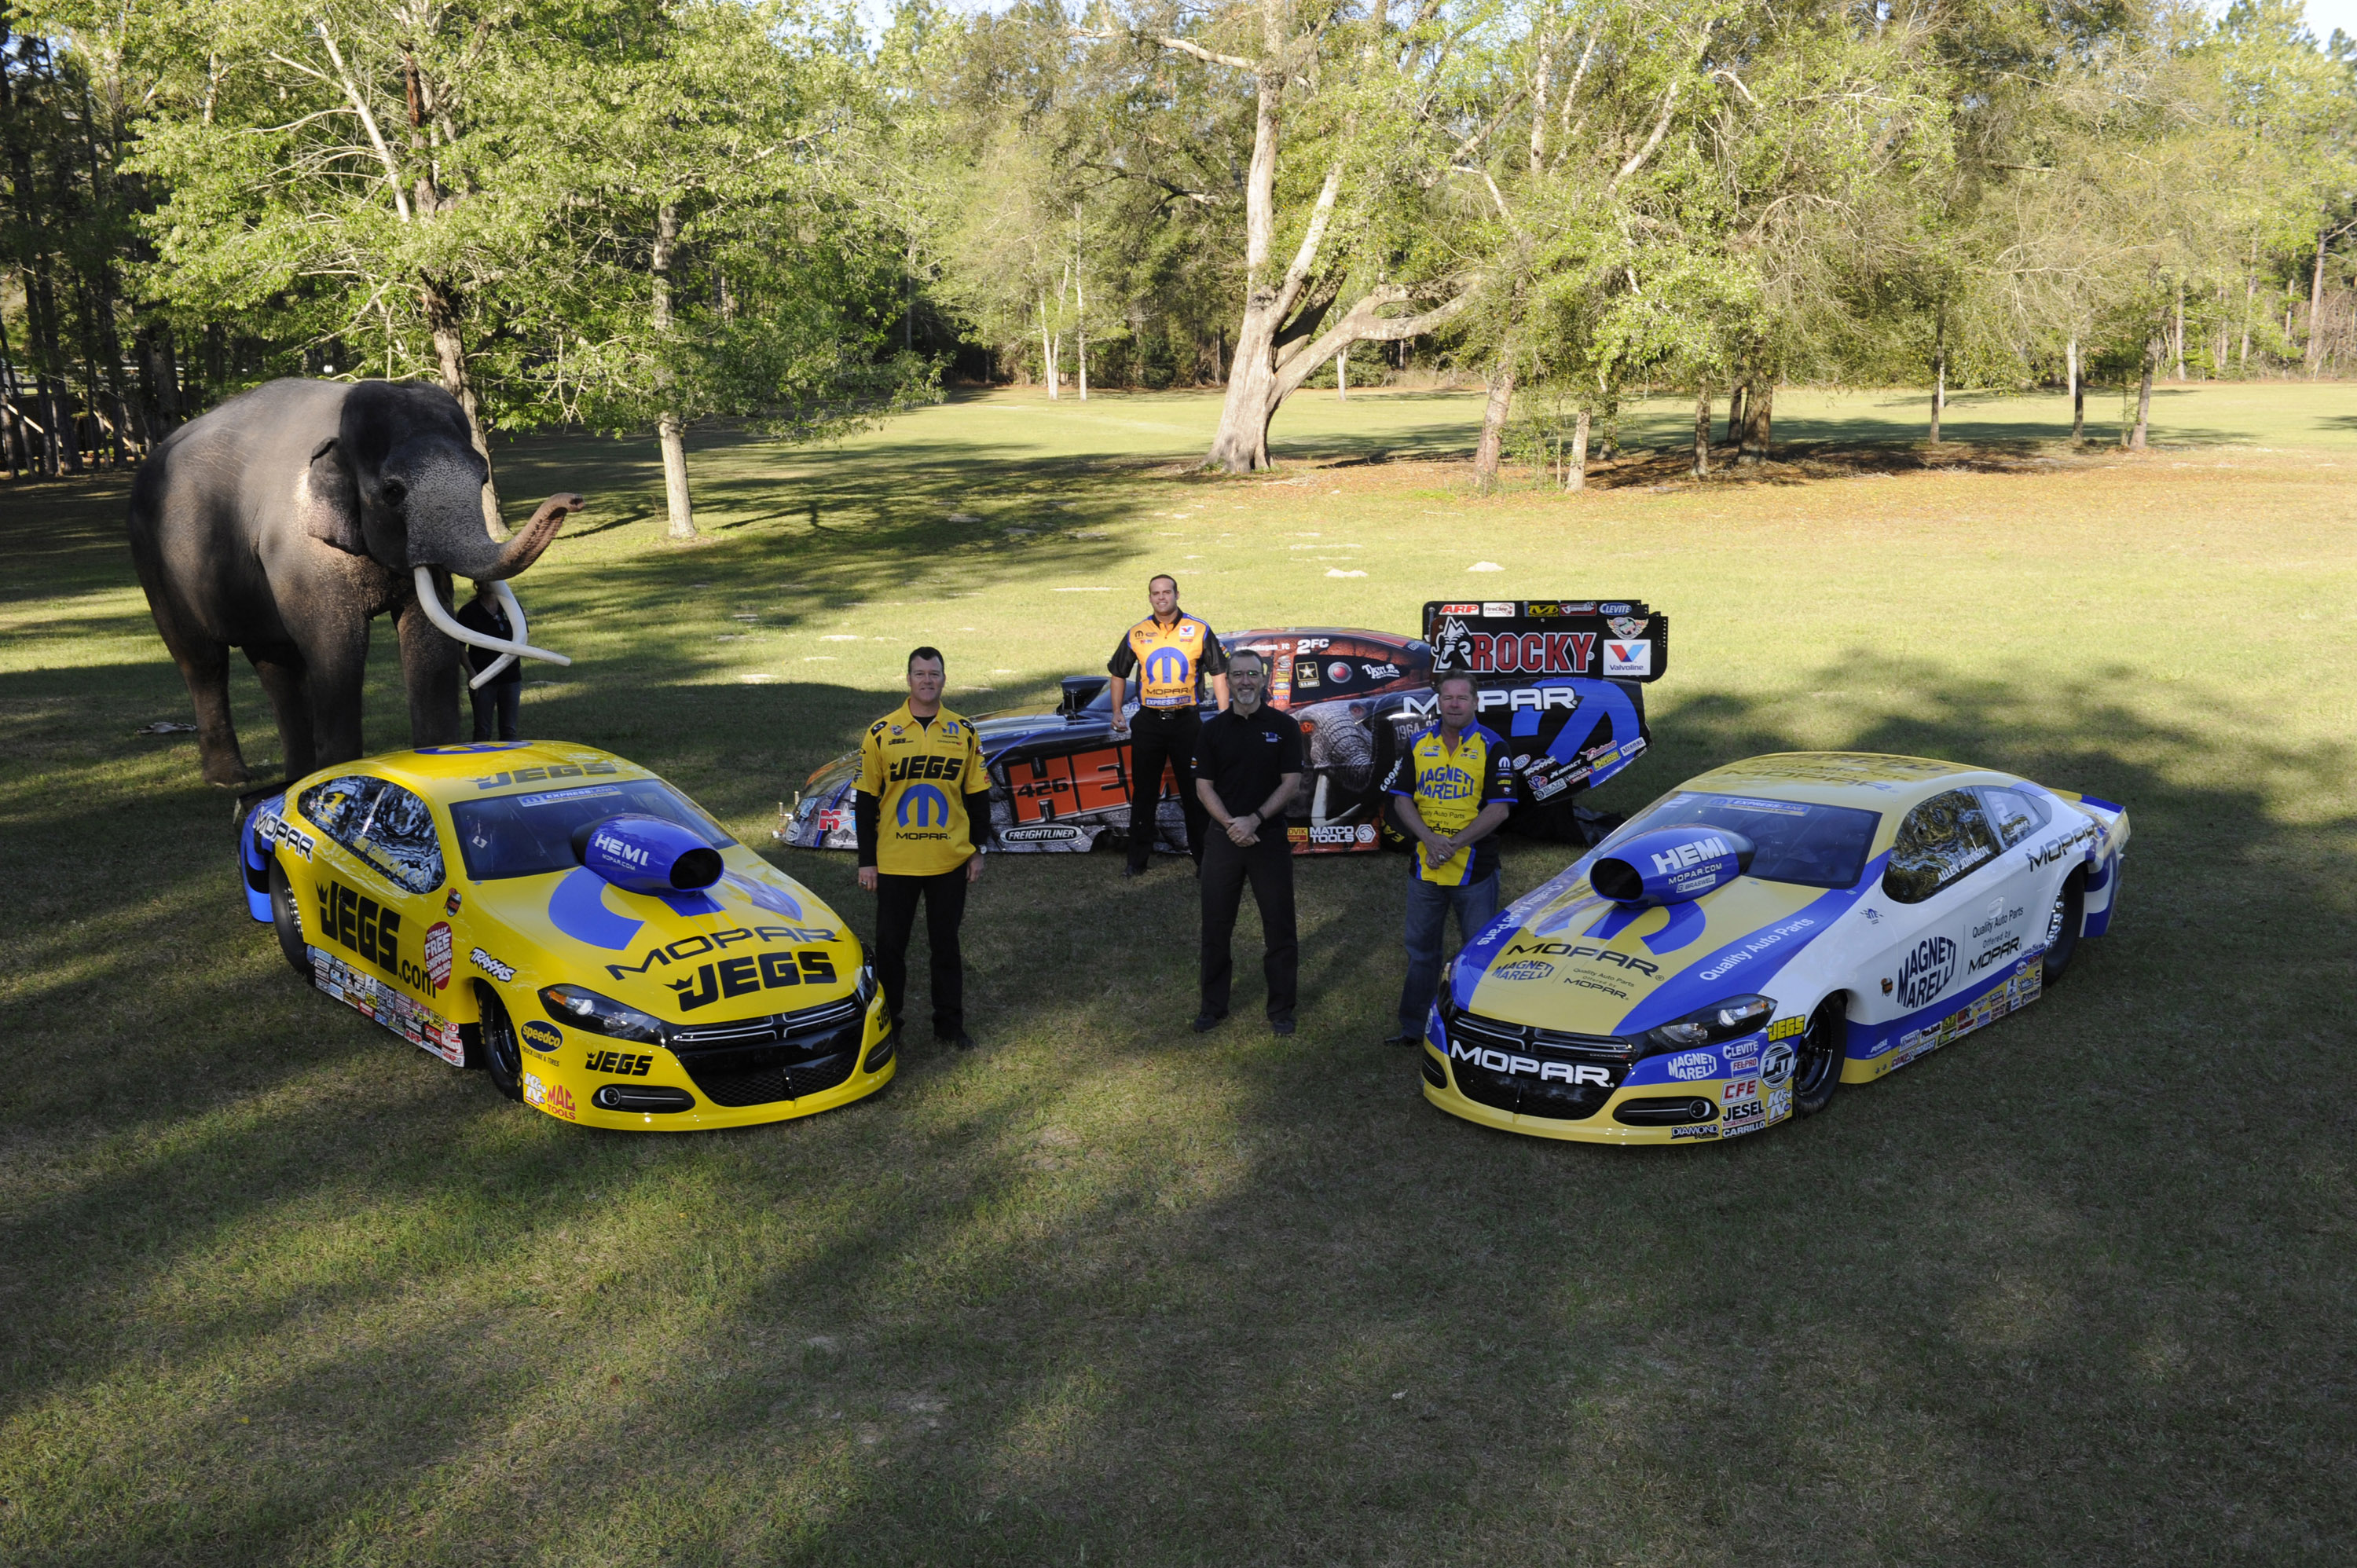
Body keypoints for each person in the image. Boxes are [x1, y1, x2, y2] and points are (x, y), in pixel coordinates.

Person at [856, 647, 990, 1050]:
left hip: (948, 860)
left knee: (945, 945)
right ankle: (888, 1023)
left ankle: (949, 1023)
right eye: (920, 674)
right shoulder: (881, 732)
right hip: (895, 861)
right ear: (908, 679)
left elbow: (979, 795)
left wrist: (978, 849)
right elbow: (864, 800)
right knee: (890, 948)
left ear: (944, 679)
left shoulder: (963, 731)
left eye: (934, 673)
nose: (927, 680)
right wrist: (867, 862)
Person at [1382, 672, 1521, 1048]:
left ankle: (1477, 1032)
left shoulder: (1494, 746)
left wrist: (1453, 844)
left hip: (1474, 872)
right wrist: (1429, 840)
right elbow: (1401, 799)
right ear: (1438, 703)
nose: (1455, 704)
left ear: (1475, 703)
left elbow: (1499, 810)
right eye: (1448, 698)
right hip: (1425, 869)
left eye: (1462, 698)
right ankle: (1414, 1028)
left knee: (1475, 955)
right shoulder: (1418, 743)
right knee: (1422, 953)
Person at [1191, 649, 1303, 1035]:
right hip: (1223, 840)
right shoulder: (1213, 729)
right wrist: (1230, 824)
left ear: (1264, 679)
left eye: (1252, 675)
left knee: (1279, 927)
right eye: (1237, 674)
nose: (1244, 682)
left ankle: (1282, 1010)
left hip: (1267, 838)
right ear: (1229, 680)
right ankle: (1212, 1007)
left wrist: (1254, 819)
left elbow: (1291, 782)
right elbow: (1203, 785)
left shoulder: (1284, 728)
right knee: (1216, 927)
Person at [1106, 573, 1229, 877]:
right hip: (1149, 723)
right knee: (1144, 793)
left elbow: (1219, 673)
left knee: (1196, 792)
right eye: (1155, 593)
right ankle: (1137, 862)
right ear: (1150, 597)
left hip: (1187, 722)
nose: (1162, 597)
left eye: (1167, 592)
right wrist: (1116, 711)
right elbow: (1118, 672)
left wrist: (1226, 716)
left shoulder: (1199, 629)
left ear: (1177, 594)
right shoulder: (1137, 632)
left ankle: (1205, 861)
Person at [455, 581, 523, 742]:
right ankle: (481, 765)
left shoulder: (512, 607)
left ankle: (508, 763)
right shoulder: (469, 611)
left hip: (511, 677)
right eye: (485, 578)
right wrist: (472, 674)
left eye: (494, 578)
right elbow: (460, 647)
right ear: (477, 582)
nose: (489, 582)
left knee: (509, 730)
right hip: (483, 678)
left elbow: (521, 638)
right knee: (482, 731)